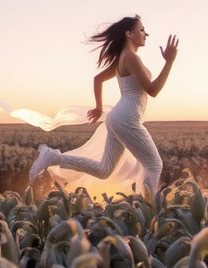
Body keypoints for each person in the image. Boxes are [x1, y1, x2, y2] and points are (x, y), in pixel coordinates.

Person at [28, 15, 178, 199]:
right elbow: (153, 90)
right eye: (141, 29)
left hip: (118, 117)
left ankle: (54, 157)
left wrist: (99, 107)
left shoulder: (123, 57)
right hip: (127, 118)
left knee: (104, 170)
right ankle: (147, 208)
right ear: (129, 34)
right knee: (154, 165)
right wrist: (169, 62)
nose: (146, 34)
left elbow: (97, 79)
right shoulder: (131, 57)